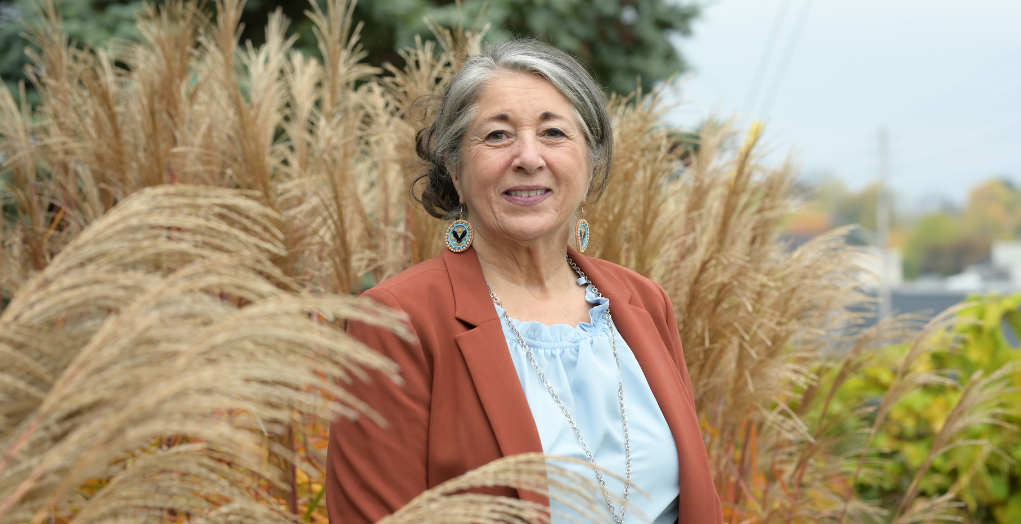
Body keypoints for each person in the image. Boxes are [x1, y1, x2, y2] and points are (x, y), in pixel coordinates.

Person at [326, 39, 722, 524]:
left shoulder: (642, 301)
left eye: (554, 132)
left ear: (591, 158)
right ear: (453, 164)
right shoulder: (398, 319)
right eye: (497, 136)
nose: (529, 157)